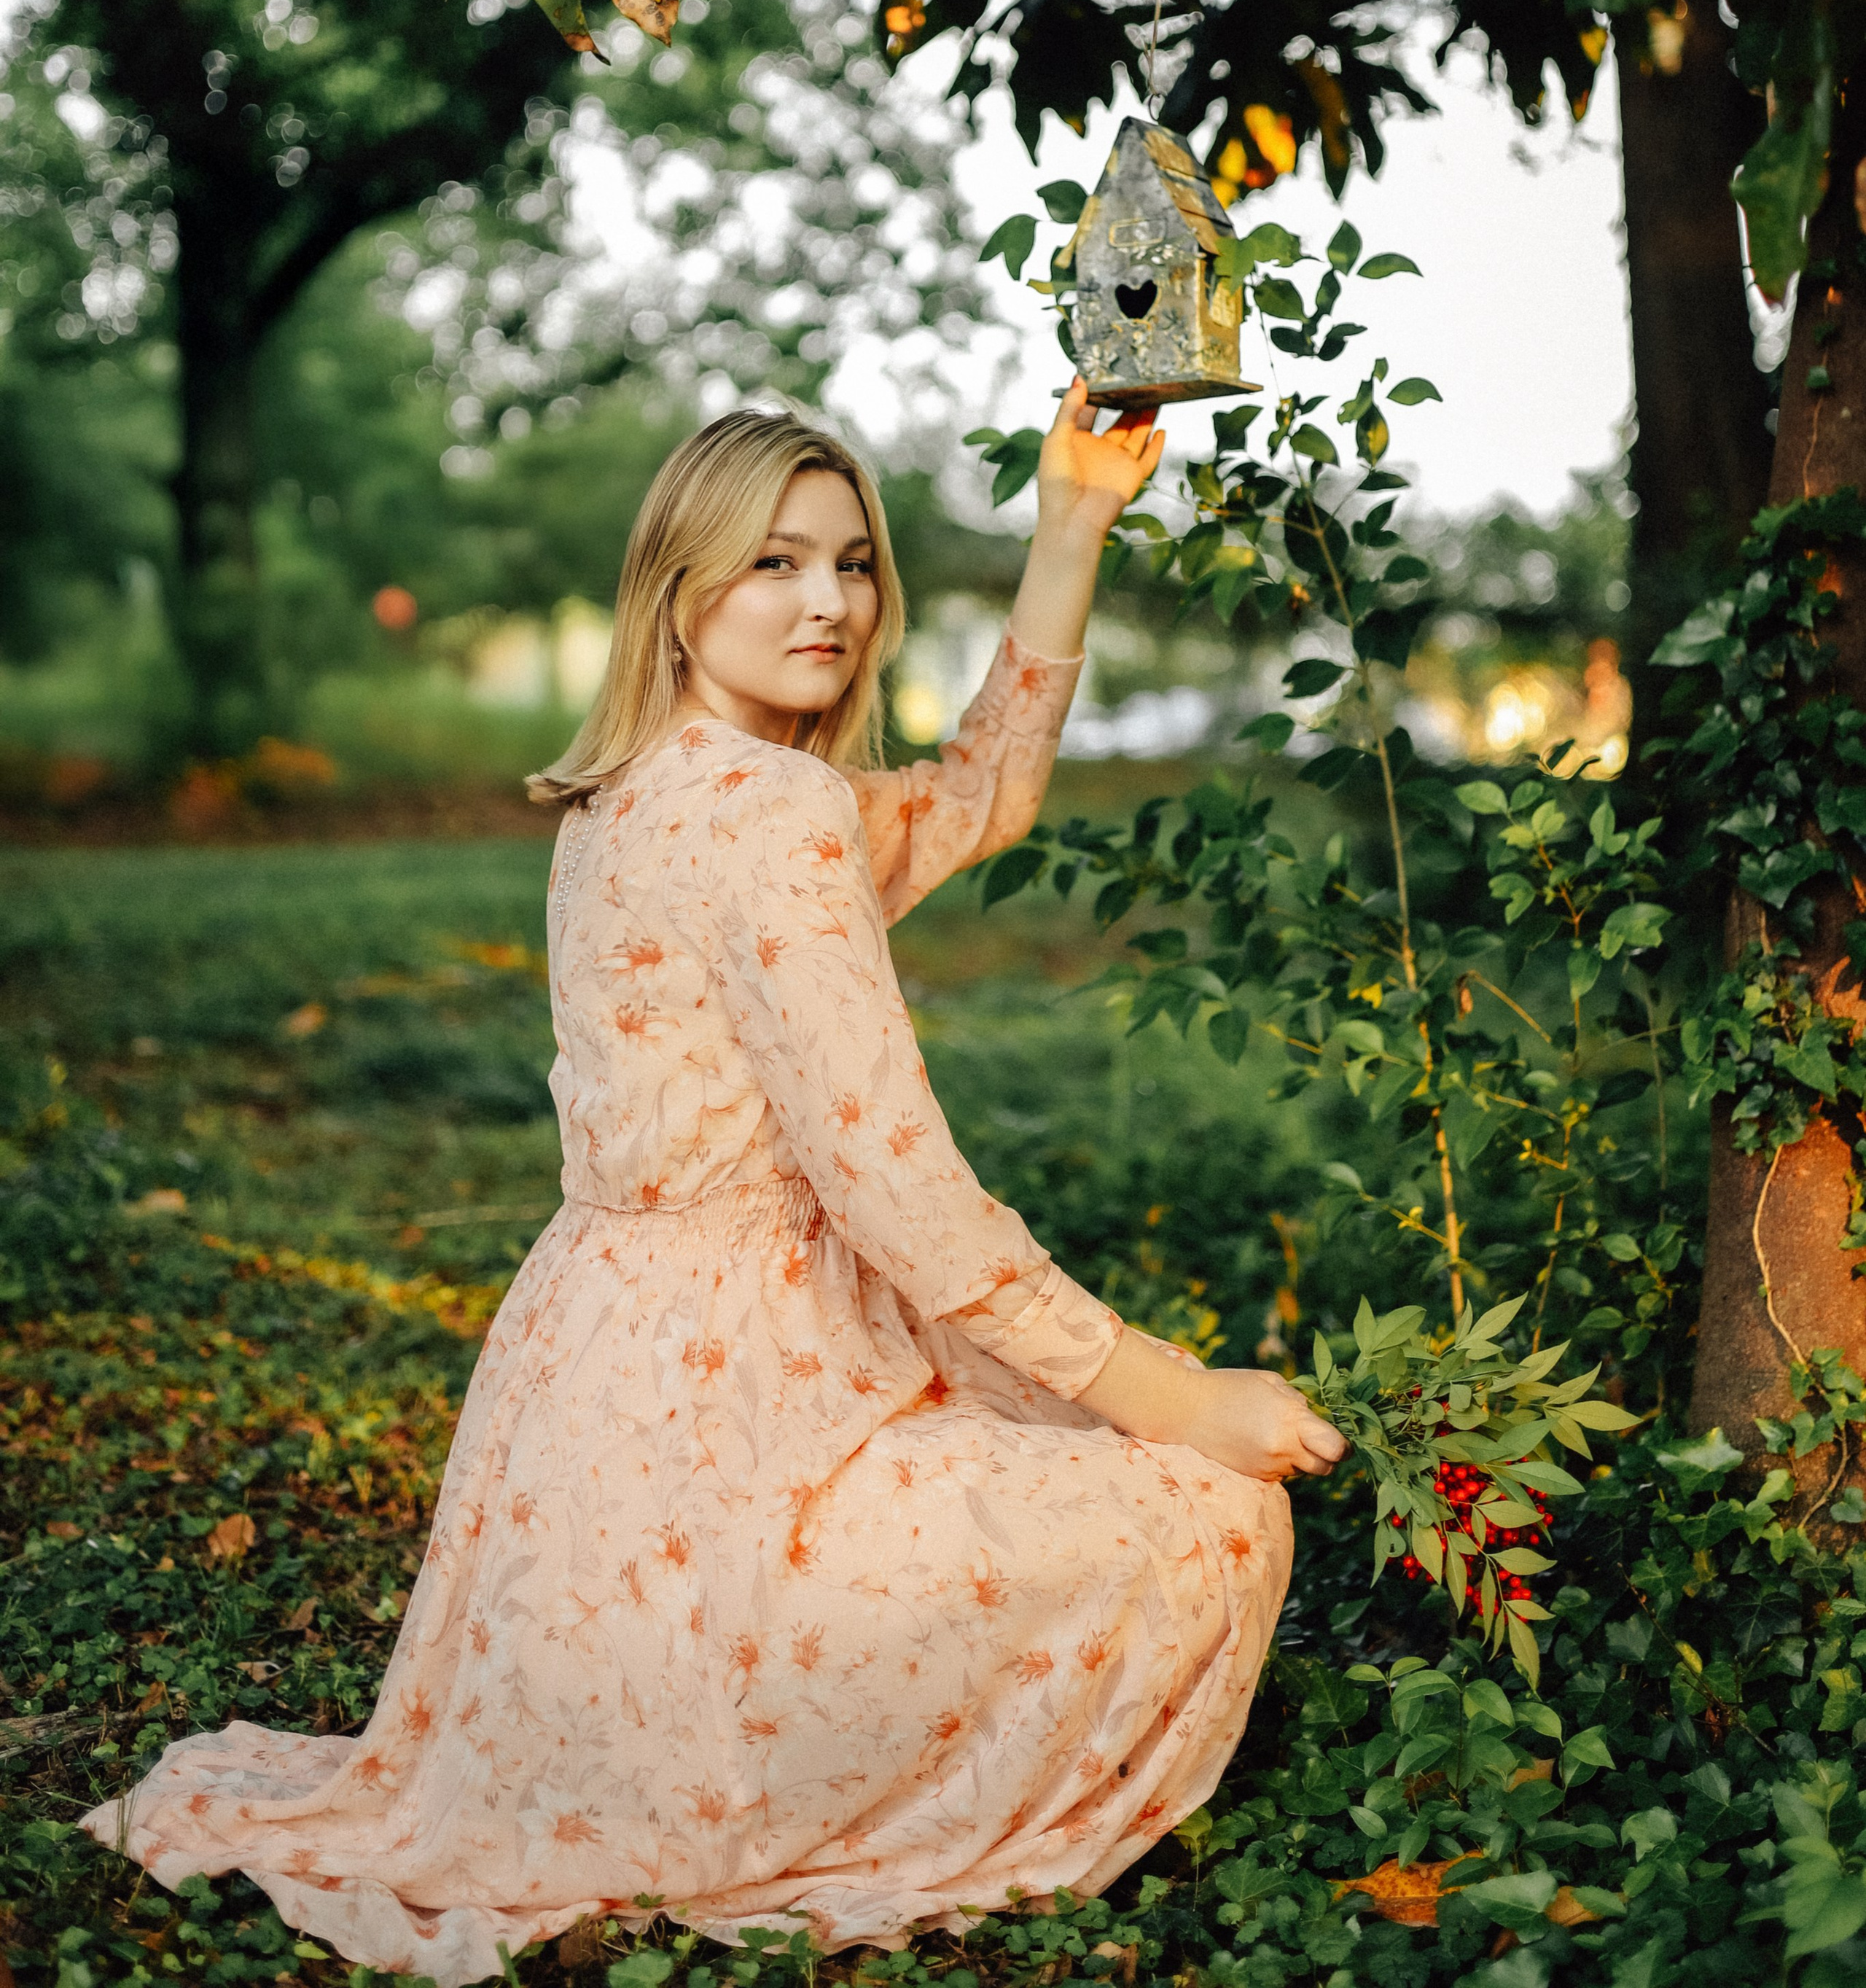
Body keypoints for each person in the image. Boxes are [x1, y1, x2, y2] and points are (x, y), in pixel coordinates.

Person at [84, 386, 1346, 1984]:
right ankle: (772, 1767)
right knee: (1208, 1516)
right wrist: (1172, 1395)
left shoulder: (639, 789)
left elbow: (978, 797)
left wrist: (1072, 518)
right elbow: (900, 1189)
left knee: (1061, 1457)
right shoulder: (769, 813)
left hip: (594, 1410)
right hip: (732, 1424)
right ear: (676, 590)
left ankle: (669, 1725)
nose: (825, 601)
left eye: (850, 564)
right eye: (771, 565)